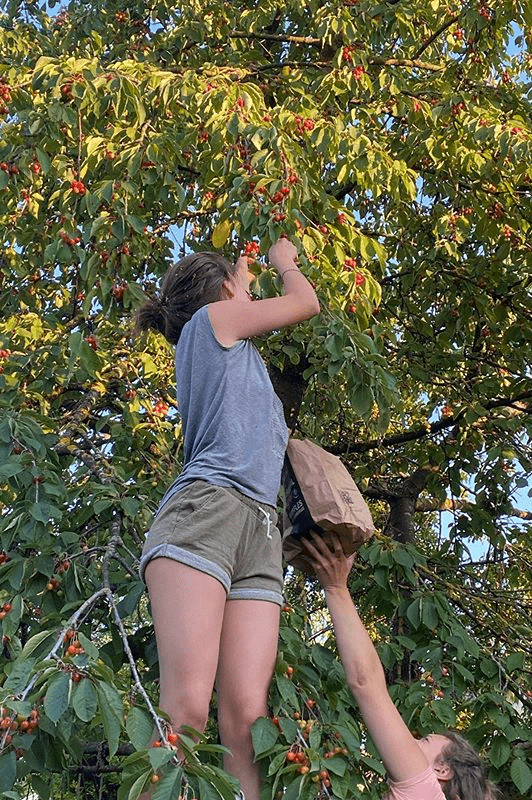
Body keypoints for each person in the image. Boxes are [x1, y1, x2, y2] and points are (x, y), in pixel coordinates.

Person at [134, 238, 320, 800]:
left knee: (246, 720)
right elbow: (305, 301)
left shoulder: (229, 348)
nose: (251, 291)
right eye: (243, 284)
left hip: (260, 530)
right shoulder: (215, 321)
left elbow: (243, 295)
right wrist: (286, 261)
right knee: (186, 707)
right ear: (222, 290)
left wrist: (243, 272)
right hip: (208, 512)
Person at [300, 531, 496, 800]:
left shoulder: (424, 790)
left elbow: (365, 683)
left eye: (424, 742)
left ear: (442, 770)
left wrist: (336, 587)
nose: (412, 743)